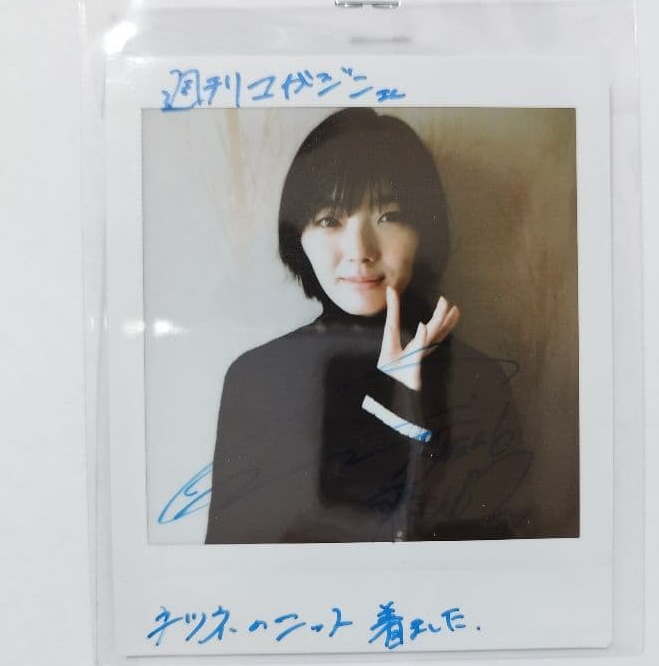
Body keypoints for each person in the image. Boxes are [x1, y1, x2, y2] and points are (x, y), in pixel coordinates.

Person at [205, 108, 531, 544]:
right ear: (298, 236)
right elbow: (234, 565)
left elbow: (494, 566)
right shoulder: (258, 377)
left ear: (425, 231)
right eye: (329, 220)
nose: (360, 250)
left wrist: (404, 412)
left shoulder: (478, 380)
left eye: (389, 216)